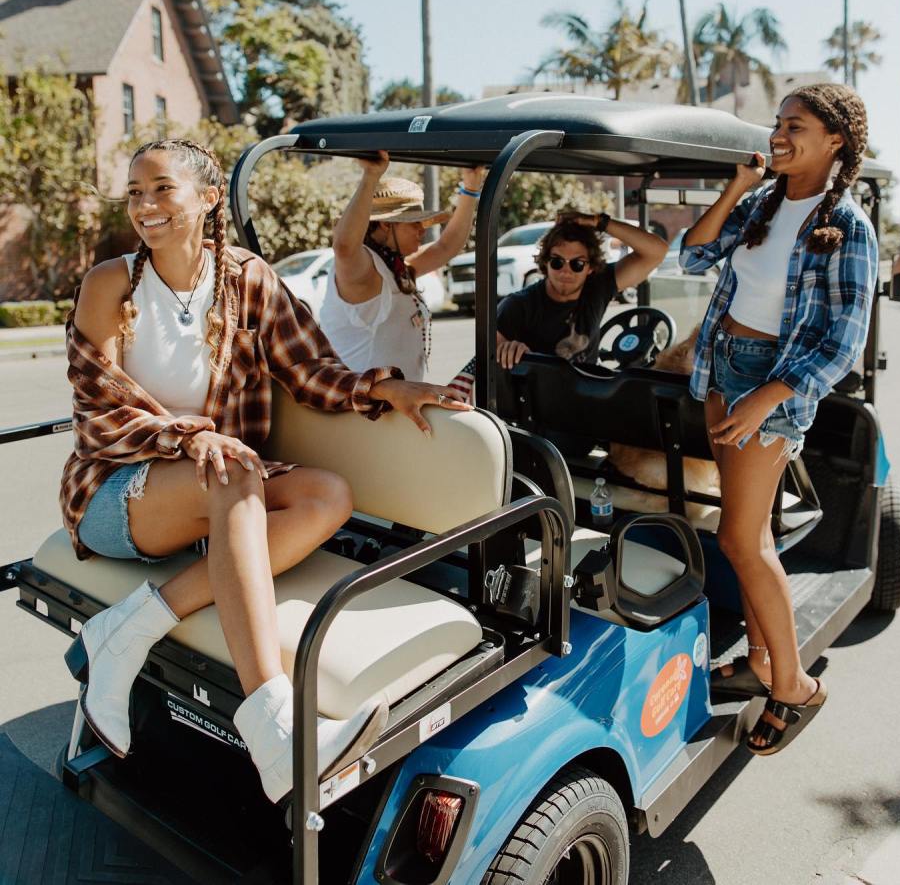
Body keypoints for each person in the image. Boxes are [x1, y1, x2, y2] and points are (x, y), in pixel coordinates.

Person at [60, 138, 470, 805]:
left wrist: (380, 387)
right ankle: (274, 727)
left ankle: (128, 627)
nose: (145, 205)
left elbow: (306, 368)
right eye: (135, 191)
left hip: (217, 482)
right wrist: (190, 435)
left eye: (162, 188)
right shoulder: (113, 282)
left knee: (328, 494)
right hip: (114, 488)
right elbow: (96, 405)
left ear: (207, 197)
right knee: (233, 470)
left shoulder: (247, 277)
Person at [680, 83, 878, 756]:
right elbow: (693, 256)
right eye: (779, 122)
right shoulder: (762, 203)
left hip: (774, 385)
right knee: (753, 528)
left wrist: (767, 396)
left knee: (739, 540)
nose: (779, 134)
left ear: (835, 141)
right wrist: (737, 188)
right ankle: (762, 660)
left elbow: (843, 342)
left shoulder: (847, 225)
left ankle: (795, 685)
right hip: (720, 370)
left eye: (796, 125)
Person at [320, 153, 485, 379]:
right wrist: (371, 176)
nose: (422, 230)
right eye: (415, 223)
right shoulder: (366, 271)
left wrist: (471, 188)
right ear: (386, 225)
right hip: (362, 401)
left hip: (393, 399)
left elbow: (446, 246)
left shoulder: (395, 267)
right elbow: (344, 247)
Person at [495, 212, 668, 369]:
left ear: (590, 267)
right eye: (557, 262)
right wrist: (509, 350)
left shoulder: (598, 286)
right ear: (546, 262)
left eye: (577, 264)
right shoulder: (517, 306)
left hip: (590, 387)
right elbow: (491, 360)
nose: (566, 271)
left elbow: (657, 252)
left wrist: (598, 221)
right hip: (540, 391)